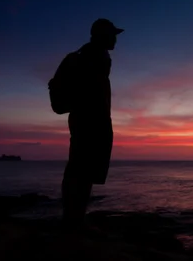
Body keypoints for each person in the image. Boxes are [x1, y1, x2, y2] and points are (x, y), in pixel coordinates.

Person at [61, 18, 123, 230]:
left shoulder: (94, 56)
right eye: (112, 35)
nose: (115, 39)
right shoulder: (92, 57)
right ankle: (73, 221)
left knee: (82, 170)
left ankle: (74, 219)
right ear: (103, 36)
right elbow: (90, 93)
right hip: (90, 121)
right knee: (81, 171)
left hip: (89, 121)